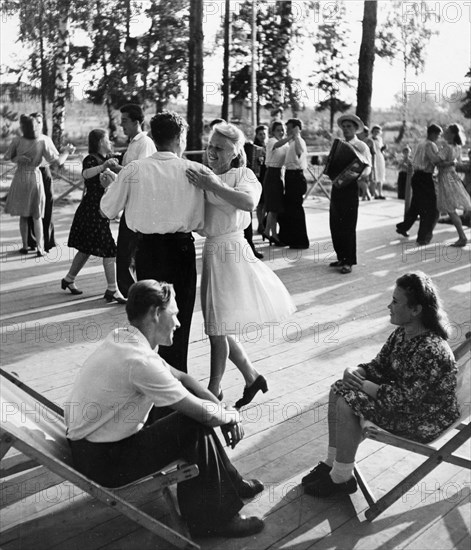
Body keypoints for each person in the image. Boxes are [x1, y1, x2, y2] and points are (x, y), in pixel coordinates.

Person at [64, 280, 265, 538]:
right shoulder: (139, 361)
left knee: (190, 414)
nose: (179, 323)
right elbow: (198, 413)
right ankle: (213, 520)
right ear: (156, 313)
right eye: (175, 314)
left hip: (94, 448)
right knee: (190, 424)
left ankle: (231, 483)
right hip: (105, 463)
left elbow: (182, 378)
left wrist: (219, 411)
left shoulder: (124, 338)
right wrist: (230, 416)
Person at [302, 271, 459, 498]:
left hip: (425, 419)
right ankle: (333, 464)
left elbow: (403, 399)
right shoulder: (403, 333)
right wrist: (355, 372)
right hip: (405, 406)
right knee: (339, 388)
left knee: (348, 401)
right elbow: (379, 366)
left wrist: (361, 384)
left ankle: (341, 478)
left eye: (396, 301)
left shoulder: (431, 349)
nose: (389, 306)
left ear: (416, 310)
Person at [186, 122, 296, 407]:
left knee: (216, 326)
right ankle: (251, 376)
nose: (212, 152)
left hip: (231, 252)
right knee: (217, 323)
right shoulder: (206, 175)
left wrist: (212, 185)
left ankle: (214, 388)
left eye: (219, 148)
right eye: (210, 146)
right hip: (212, 249)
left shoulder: (242, 174)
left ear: (235, 152)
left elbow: (248, 202)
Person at [100, 111, 204, 374]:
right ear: (180, 137)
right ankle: (176, 384)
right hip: (181, 250)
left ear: (154, 137)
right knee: (178, 321)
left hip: (148, 251)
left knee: (148, 321)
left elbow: (107, 209)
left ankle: (148, 378)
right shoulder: (195, 171)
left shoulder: (135, 169)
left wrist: (110, 186)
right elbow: (203, 225)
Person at [62, 129, 125, 302]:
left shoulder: (106, 160)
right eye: (107, 138)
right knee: (110, 250)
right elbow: (85, 174)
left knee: (85, 249)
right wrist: (104, 167)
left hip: (99, 210)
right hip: (92, 210)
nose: (110, 141)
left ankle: (68, 279)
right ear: (99, 141)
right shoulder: (91, 159)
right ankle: (112, 289)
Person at [4, 114, 73, 257]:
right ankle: (40, 247)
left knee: (23, 215)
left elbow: (7, 157)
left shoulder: (17, 140)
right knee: (37, 214)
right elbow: (57, 161)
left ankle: (25, 245)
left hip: (20, 177)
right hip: (35, 176)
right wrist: (66, 152)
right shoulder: (43, 140)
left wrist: (18, 158)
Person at [115, 104, 157, 298]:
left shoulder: (145, 143)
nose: (121, 125)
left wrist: (117, 172)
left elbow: (142, 174)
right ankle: (131, 292)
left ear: (136, 122)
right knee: (124, 251)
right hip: (131, 205)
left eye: (124, 121)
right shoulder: (133, 143)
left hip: (141, 206)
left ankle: (136, 293)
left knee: (130, 251)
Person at [328, 114, 371, 274]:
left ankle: (348, 261)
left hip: (350, 187)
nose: (346, 129)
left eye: (349, 127)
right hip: (336, 186)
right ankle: (340, 256)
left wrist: (357, 175)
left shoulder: (361, 146)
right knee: (335, 222)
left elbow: (367, 167)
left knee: (348, 224)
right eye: (344, 127)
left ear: (355, 129)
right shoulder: (339, 144)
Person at [396, 124, 452, 246]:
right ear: (433, 133)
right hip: (425, 177)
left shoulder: (420, 143)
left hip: (417, 177)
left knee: (416, 204)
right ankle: (423, 237)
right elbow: (435, 160)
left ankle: (403, 227)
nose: (439, 137)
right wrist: (446, 156)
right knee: (431, 209)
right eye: (438, 134)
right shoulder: (430, 145)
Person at [27, 112, 64, 253]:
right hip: (31, 174)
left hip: (44, 172)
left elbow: (55, 159)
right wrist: (66, 152)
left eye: (40, 122)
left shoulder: (45, 139)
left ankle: (46, 241)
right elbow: (59, 161)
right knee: (30, 210)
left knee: (47, 206)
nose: (37, 124)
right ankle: (33, 241)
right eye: (35, 121)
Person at [436, 124, 471, 247]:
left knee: (450, 208)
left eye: (447, 131)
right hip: (452, 176)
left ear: (452, 134)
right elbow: (458, 163)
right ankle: (462, 236)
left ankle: (462, 236)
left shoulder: (446, 147)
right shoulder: (458, 147)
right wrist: (452, 163)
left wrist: (444, 161)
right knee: (452, 204)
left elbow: (438, 163)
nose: (444, 133)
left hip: (446, 176)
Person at [279, 118, 310, 249]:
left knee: (296, 210)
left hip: (296, 177)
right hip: (290, 176)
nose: (288, 131)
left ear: (296, 128)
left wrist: (296, 135)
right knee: (290, 209)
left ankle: (301, 241)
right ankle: (290, 238)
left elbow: (299, 152)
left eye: (290, 128)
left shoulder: (299, 141)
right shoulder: (291, 142)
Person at [262, 121, 289, 246]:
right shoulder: (272, 141)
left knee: (275, 208)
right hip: (272, 173)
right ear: (273, 132)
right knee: (273, 207)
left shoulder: (286, 143)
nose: (281, 132)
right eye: (278, 130)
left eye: (282, 130)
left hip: (280, 173)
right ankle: (272, 234)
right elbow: (278, 145)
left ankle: (269, 232)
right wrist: (291, 136)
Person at [253, 124, 268, 234]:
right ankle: (260, 224)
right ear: (257, 135)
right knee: (260, 202)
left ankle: (264, 222)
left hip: (268, 175)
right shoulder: (255, 147)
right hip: (259, 176)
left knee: (266, 202)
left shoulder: (269, 145)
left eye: (264, 134)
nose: (262, 136)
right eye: (260, 134)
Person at [357, 125, 374, 201]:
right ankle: (366, 195)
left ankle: (367, 193)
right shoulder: (358, 140)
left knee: (361, 180)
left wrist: (373, 165)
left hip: (366, 162)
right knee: (362, 180)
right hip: (360, 162)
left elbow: (373, 153)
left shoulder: (369, 141)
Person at [371, 125, 387, 199]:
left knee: (381, 174)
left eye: (378, 131)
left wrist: (383, 148)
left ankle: (380, 192)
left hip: (380, 157)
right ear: (372, 132)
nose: (376, 133)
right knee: (375, 175)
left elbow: (380, 149)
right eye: (375, 131)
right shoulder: (370, 139)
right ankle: (375, 193)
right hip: (373, 157)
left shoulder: (380, 139)